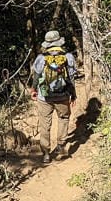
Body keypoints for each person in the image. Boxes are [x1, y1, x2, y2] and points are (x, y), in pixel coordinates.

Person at [30, 29, 78, 161]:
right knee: (63, 119)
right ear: (59, 41)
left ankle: (46, 153)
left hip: (44, 96)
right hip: (62, 95)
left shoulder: (41, 58)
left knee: (45, 124)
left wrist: (33, 89)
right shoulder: (67, 57)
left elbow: (37, 75)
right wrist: (73, 95)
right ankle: (61, 147)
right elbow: (71, 78)